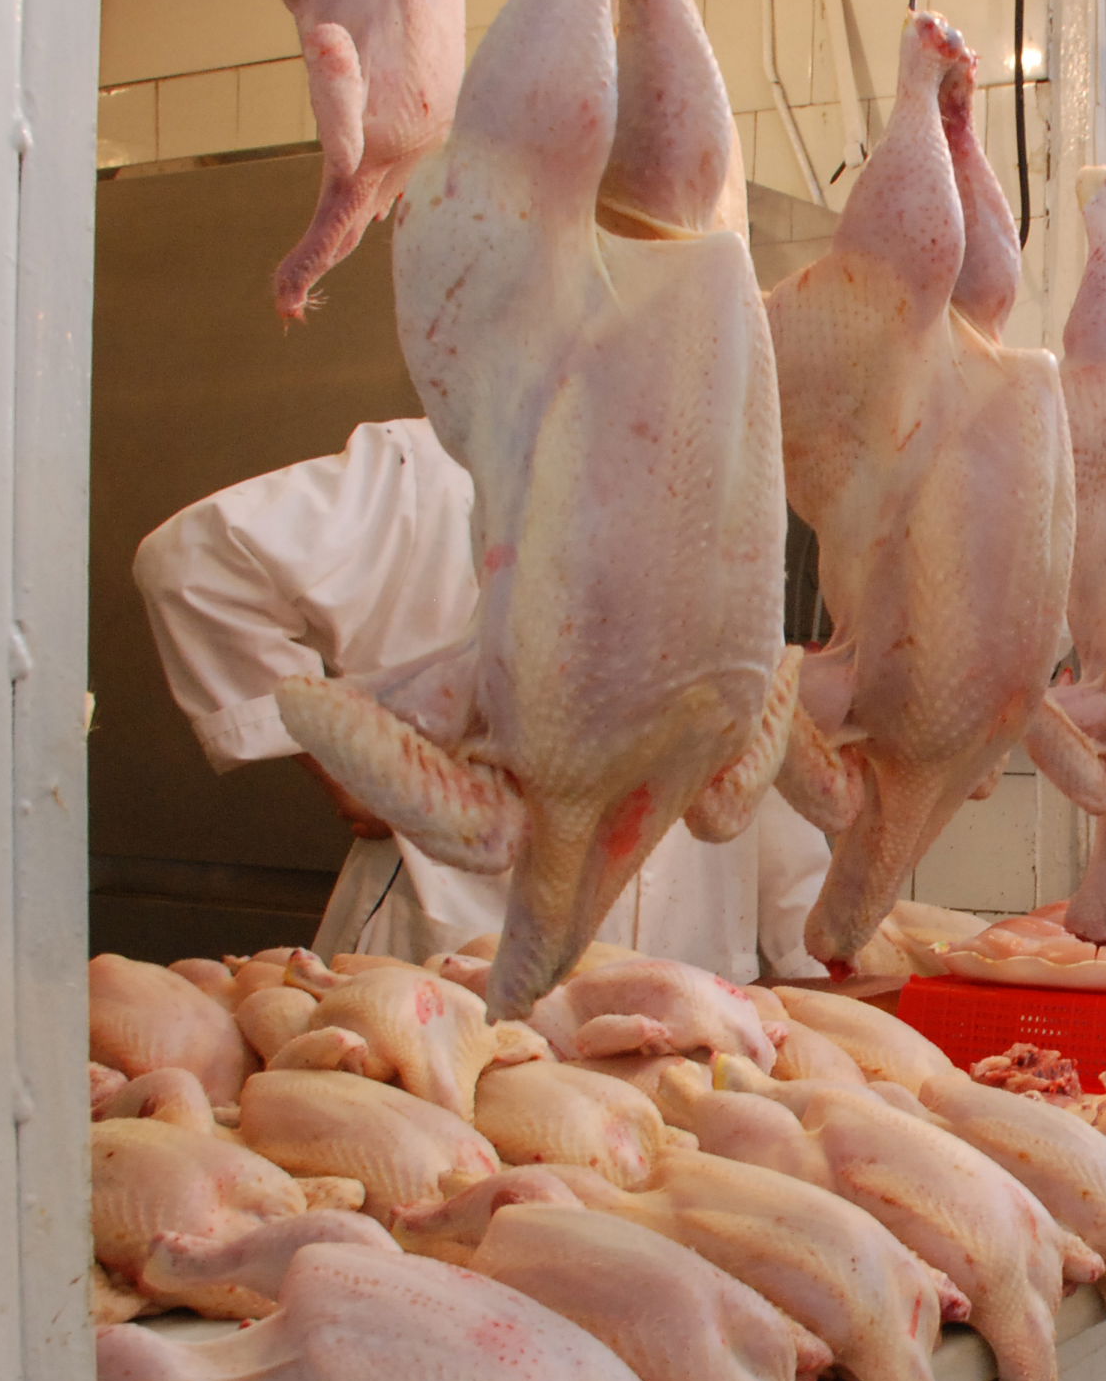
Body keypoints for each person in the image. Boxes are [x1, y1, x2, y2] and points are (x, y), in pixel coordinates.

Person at [135, 418, 829, 978]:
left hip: (681, 982)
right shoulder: (436, 475)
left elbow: (756, 756)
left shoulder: (728, 522)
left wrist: (813, 959)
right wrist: (343, 765)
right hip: (444, 975)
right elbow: (193, 564)